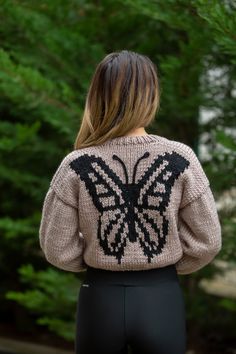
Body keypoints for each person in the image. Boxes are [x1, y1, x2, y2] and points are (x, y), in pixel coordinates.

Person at [39, 50, 222, 354]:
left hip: (100, 298)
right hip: (161, 297)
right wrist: (164, 265)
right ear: (151, 95)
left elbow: (57, 248)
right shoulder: (180, 158)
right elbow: (208, 241)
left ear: (97, 96)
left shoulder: (76, 164)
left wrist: (97, 258)